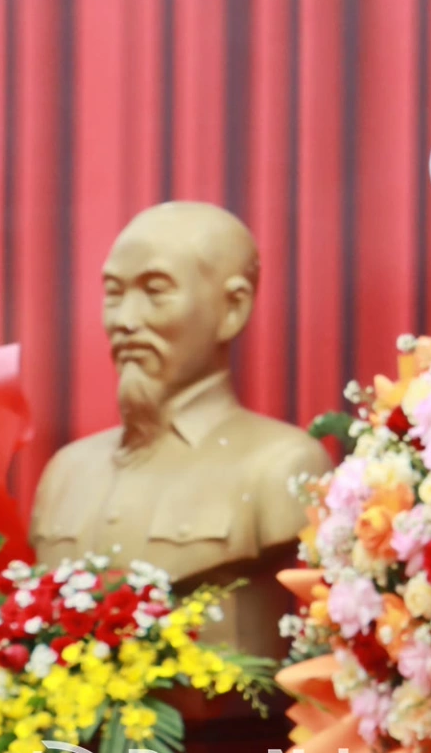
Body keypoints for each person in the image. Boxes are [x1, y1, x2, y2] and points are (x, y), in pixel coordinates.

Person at [30, 200, 327, 662]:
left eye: (155, 290)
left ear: (233, 308)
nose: (125, 320)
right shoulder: (65, 474)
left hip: (227, 729)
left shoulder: (281, 465)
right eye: (114, 292)